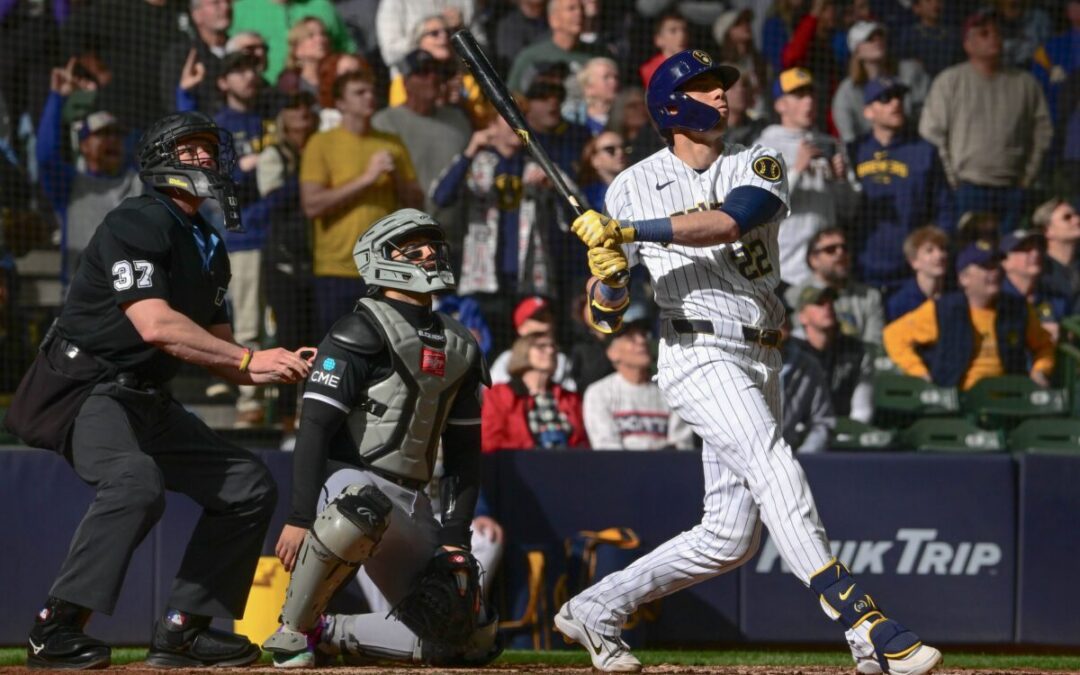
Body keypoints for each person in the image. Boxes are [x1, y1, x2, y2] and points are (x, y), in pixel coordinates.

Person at [555, 48, 941, 675]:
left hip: (761, 351)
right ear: (673, 105)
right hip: (695, 349)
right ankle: (861, 621)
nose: (722, 96)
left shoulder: (757, 159)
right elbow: (605, 316)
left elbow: (735, 220)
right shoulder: (628, 185)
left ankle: (597, 607)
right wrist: (607, 279)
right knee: (771, 461)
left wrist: (627, 234)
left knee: (730, 538)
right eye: (706, 88)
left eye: (721, 86)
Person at [8, 111, 313, 669]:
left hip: (146, 395)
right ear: (160, 159)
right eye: (192, 149)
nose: (206, 159)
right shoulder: (138, 219)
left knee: (247, 484)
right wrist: (250, 358)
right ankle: (54, 629)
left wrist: (278, 365)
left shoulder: (208, 243)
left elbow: (220, 349)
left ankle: (184, 629)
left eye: (208, 150)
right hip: (86, 386)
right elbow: (157, 326)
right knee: (134, 481)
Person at [261, 208, 500, 668]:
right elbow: (313, 427)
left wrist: (456, 538)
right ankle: (292, 632)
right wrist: (299, 514)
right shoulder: (357, 328)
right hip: (350, 484)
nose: (431, 254)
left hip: (414, 499)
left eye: (433, 246)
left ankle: (327, 631)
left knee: (469, 643)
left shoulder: (461, 345)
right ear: (380, 260)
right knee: (360, 508)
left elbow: (466, 453)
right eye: (414, 250)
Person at [301, 69, 423, 335]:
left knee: (386, 348)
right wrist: (367, 179)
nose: (369, 97)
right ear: (340, 103)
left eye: (371, 91)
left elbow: (416, 203)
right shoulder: (321, 143)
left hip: (385, 269)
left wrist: (397, 179)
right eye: (359, 92)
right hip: (336, 269)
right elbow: (312, 205)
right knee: (338, 351)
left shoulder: (391, 143)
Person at [918, 8, 1052, 233]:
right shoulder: (950, 81)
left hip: (1013, 187)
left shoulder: (1025, 83)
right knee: (970, 260)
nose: (994, 38)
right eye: (984, 33)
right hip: (967, 189)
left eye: (997, 32)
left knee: (1012, 259)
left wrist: (1027, 176)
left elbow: (1043, 131)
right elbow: (931, 133)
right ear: (967, 44)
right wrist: (952, 180)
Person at [883, 240, 1055, 390]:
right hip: (958, 402)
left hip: (1010, 399)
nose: (994, 272)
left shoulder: (1017, 309)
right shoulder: (942, 309)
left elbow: (1044, 345)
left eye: (996, 265)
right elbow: (893, 336)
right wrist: (919, 373)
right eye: (986, 267)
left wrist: (1040, 370)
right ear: (964, 278)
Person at [37, 59, 142, 283]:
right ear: (83, 145)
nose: (112, 140)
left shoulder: (138, 183)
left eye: (117, 135)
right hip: (81, 307)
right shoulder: (71, 186)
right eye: (102, 134)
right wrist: (57, 97)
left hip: (130, 306)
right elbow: (46, 157)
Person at [849, 77, 953, 290]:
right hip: (862, 270)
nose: (895, 103)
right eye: (885, 99)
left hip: (909, 272)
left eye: (899, 97)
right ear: (868, 111)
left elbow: (944, 209)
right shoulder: (854, 151)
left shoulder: (924, 152)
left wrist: (931, 253)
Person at [755, 67, 855, 286]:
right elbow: (761, 207)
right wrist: (797, 170)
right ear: (780, 105)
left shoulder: (830, 144)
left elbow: (849, 209)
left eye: (811, 94)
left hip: (826, 266)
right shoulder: (765, 148)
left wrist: (840, 181)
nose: (808, 101)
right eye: (799, 95)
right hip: (785, 268)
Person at [582, 318, 694, 451]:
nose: (642, 341)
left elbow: (681, 448)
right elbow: (607, 451)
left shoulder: (673, 392)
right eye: (631, 338)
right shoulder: (598, 393)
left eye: (643, 335)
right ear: (612, 353)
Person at [481, 332, 588, 451]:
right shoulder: (498, 395)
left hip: (570, 465)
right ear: (524, 352)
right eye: (541, 346)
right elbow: (490, 441)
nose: (550, 351)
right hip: (517, 466)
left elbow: (583, 442)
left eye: (553, 346)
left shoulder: (570, 398)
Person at [830, 21, 929, 145]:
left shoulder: (911, 72)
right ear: (857, 50)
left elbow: (926, 117)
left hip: (911, 145)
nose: (877, 40)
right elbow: (848, 136)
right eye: (869, 39)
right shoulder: (847, 91)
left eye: (880, 36)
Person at [788, 284, 873, 422]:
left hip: (844, 429)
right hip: (799, 429)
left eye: (830, 302)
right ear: (802, 316)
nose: (827, 307)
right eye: (819, 303)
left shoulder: (855, 350)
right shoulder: (791, 350)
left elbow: (862, 408)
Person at [789, 227, 884, 345]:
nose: (840, 253)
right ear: (814, 259)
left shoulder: (869, 296)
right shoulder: (793, 297)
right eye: (830, 249)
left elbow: (873, 345)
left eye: (845, 248)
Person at [160, 0, 233, 116]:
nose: (225, 7)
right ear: (197, 14)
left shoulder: (239, 50)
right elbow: (173, 103)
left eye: (228, 1)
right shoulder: (182, 56)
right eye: (216, 2)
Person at [1000, 229, 1069, 342]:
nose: (1035, 253)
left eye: (1039, 248)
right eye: (1025, 249)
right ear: (1005, 261)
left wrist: (1062, 334)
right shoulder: (996, 299)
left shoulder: (1055, 298)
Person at [885, 225, 950, 322]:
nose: (939, 255)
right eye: (929, 250)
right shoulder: (900, 303)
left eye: (942, 249)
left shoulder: (954, 298)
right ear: (914, 262)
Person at [1034, 197, 1080, 311]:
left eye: (1076, 215)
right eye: (1067, 218)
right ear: (1047, 231)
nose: (1077, 220)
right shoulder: (1038, 269)